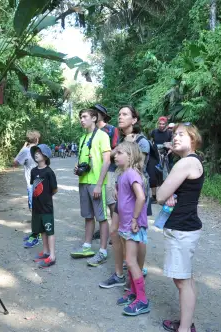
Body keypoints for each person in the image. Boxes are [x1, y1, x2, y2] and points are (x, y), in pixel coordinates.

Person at [156, 123, 204, 332]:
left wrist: (167, 196)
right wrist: (171, 196)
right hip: (186, 226)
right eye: (174, 135)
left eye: (181, 135)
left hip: (182, 229)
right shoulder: (190, 162)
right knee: (185, 278)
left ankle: (184, 328)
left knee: (182, 281)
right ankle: (187, 323)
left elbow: (158, 196)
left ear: (193, 139)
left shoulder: (185, 163)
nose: (175, 138)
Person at [99, 105, 150, 289]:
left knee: (137, 235)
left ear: (134, 120)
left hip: (134, 194)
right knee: (115, 231)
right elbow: (113, 161)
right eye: (119, 113)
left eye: (124, 114)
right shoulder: (120, 139)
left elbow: (138, 168)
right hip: (120, 191)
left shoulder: (142, 142)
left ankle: (136, 274)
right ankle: (119, 273)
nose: (120, 117)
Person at [112, 141, 150, 316]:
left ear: (130, 156)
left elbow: (141, 197)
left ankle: (142, 299)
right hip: (126, 224)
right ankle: (133, 292)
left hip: (133, 225)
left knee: (131, 261)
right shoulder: (123, 174)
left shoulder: (131, 174)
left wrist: (135, 219)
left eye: (120, 153)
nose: (115, 155)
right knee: (130, 260)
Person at [70, 108, 111, 266]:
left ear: (94, 118)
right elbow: (85, 160)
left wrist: (99, 184)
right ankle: (87, 246)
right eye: (80, 117)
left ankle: (102, 251)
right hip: (83, 181)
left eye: (85, 116)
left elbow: (106, 161)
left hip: (96, 182)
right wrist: (77, 168)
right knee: (88, 215)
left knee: (101, 217)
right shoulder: (82, 138)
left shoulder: (102, 135)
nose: (82, 119)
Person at [29, 144, 58, 268]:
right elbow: (33, 187)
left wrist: (46, 197)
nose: (36, 154)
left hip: (46, 208)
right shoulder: (33, 171)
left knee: (49, 230)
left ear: (45, 156)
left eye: (39, 152)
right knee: (41, 230)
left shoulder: (49, 172)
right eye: (35, 152)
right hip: (37, 207)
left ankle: (52, 256)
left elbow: (54, 189)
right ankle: (45, 251)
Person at [13, 130, 42, 248]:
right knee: (37, 209)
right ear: (37, 140)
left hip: (32, 185)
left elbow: (15, 163)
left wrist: (22, 148)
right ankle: (35, 232)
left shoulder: (26, 150)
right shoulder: (40, 150)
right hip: (42, 183)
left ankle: (36, 235)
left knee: (34, 210)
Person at [148, 116, 169, 200]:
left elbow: (171, 145)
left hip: (165, 157)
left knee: (163, 177)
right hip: (154, 156)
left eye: (163, 124)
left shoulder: (169, 133)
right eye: (160, 124)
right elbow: (151, 141)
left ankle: (163, 196)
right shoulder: (154, 132)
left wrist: (167, 153)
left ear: (166, 124)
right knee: (153, 176)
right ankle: (154, 196)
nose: (161, 125)